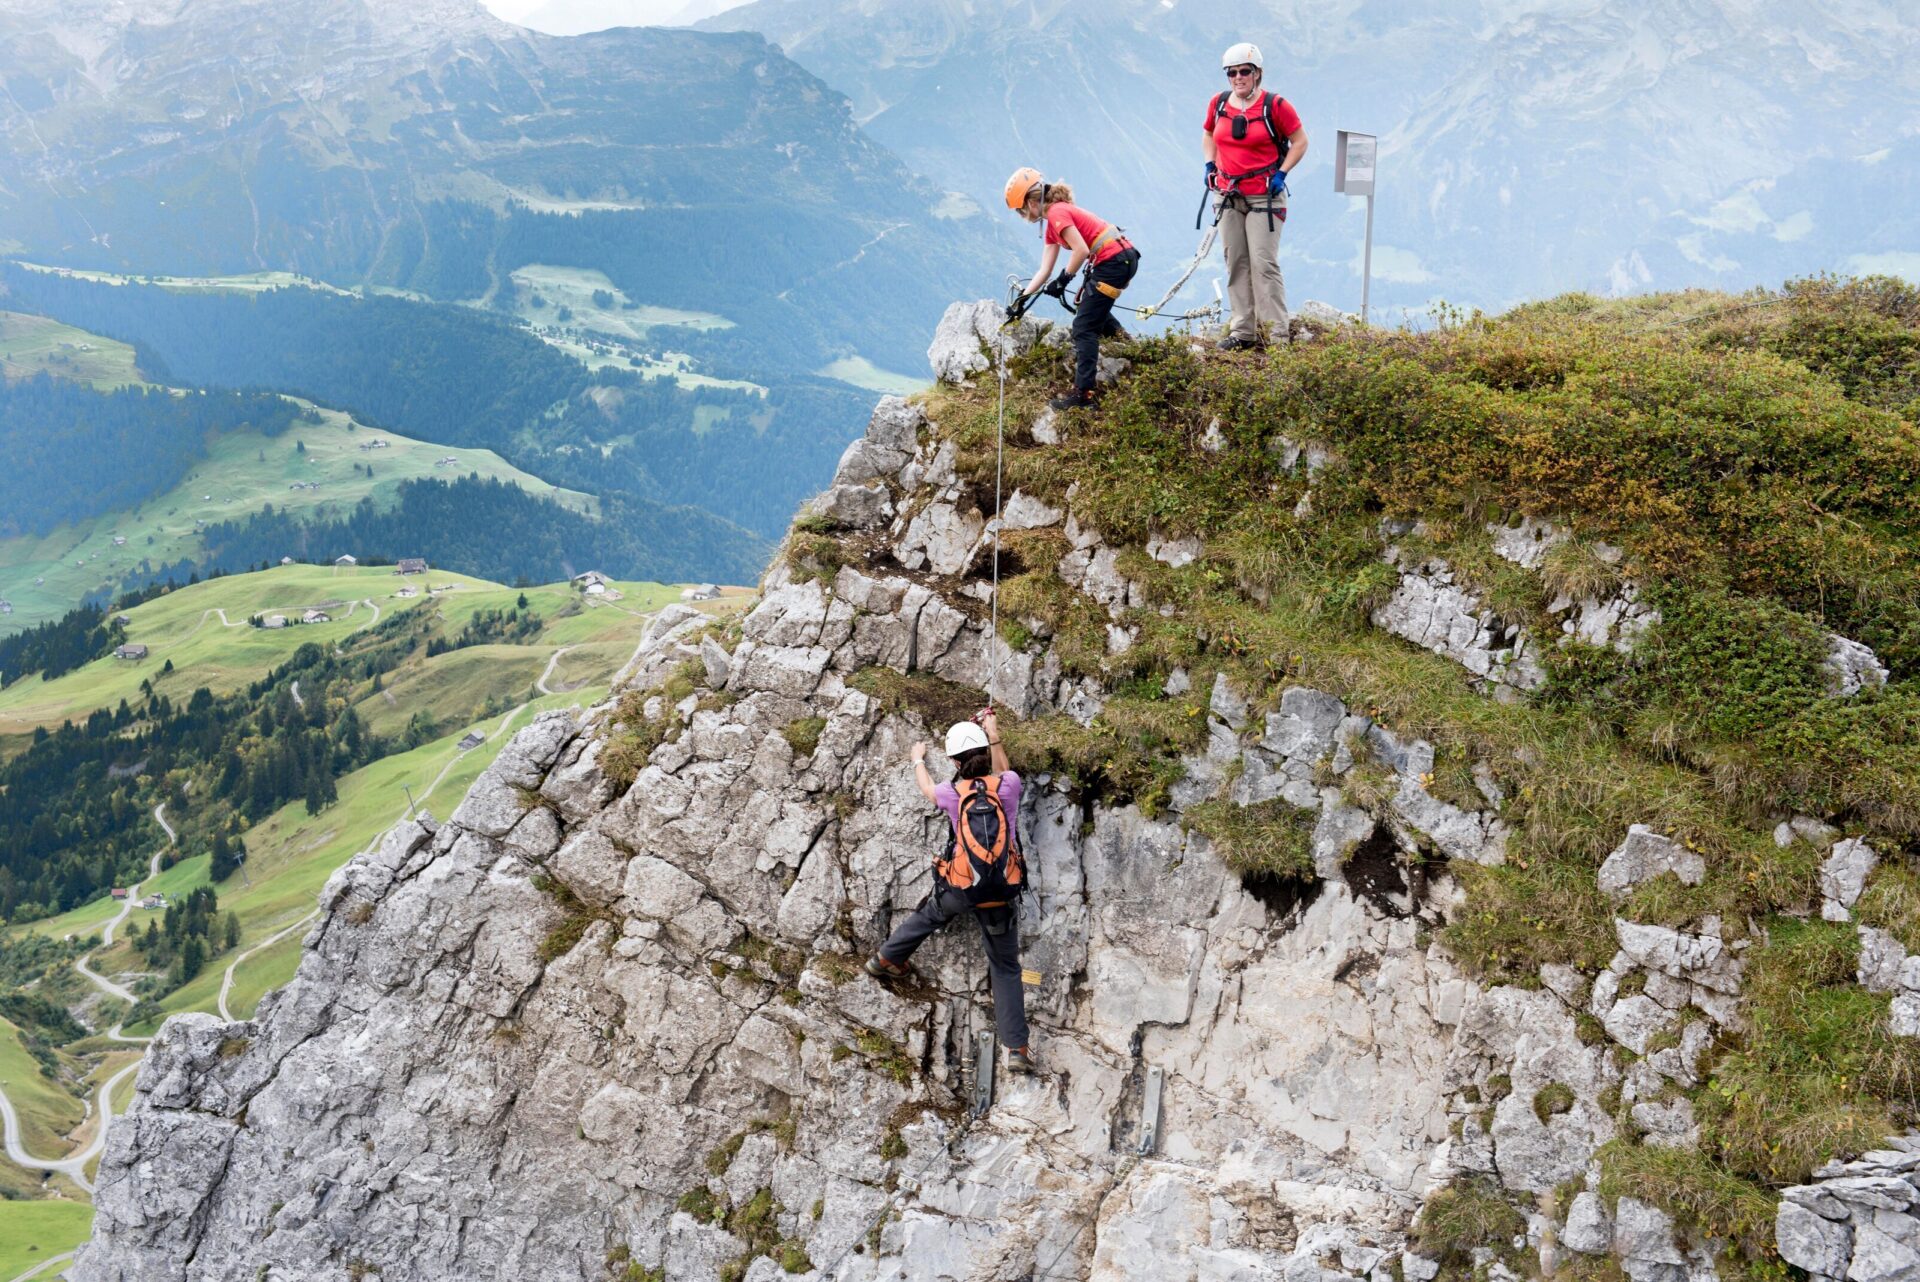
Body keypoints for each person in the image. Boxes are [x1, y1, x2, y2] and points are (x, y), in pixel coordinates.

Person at [866, 710, 1036, 1075]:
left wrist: (916, 760)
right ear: (984, 752)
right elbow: (1005, 771)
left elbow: (927, 789)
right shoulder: (1008, 786)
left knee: (930, 914)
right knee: (1005, 968)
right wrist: (994, 733)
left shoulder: (950, 793)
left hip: (961, 889)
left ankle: (885, 960)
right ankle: (1017, 1049)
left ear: (954, 761)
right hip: (1000, 893)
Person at [1003, 167, 1141, 411]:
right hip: (1123, 258)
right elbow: (1044, 270)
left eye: (1021, 209)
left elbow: (1081, 251)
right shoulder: (1054, 220)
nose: (1023, 215)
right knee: (1089, 307)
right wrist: (1021, 302)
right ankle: (1127, 345)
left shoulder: (1057, 213)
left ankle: (1083, 395)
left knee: (1083, 327)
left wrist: (1064, 279)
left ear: (1032, 201)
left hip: (1113, 262)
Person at [1202, 42, 1308, 350]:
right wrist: (1210, 164)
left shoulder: (1275, 106)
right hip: (1227, 193)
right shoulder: (1219, 104)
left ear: (1257, 73)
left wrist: (1282, 173)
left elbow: (1300, 142)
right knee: (1235, 261)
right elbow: (1209, 134)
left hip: (1265, 195)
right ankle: (1243, 332)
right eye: (1231, 73)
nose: (1238, 78)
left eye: (1244, 71)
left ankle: (1277, 336)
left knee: (1263, 262)